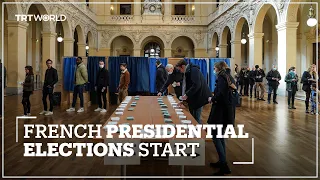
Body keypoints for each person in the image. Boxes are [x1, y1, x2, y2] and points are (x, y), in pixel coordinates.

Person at [207, 61, 234, 176]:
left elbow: (221, 94)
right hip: (227, 112)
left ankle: (224, 166)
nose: (214, 70)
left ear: (219, 68)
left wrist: (212, 99)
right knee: (220, 136)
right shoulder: (229, 76)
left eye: (214, 68)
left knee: (216, 136)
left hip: (220, 112)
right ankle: (222, 161)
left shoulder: (222, 77)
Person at [175, 60, 211, 124]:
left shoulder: (194, 70)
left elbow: (197, 85)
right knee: (192, 116)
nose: (180, 71)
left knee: (196, 118)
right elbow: (188, 86)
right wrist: (184, 100)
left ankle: (199, 132)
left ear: (183, 66)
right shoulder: (189, 71)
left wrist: (186, 95)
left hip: (199, 97)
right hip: (194, 97)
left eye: (179, 69)